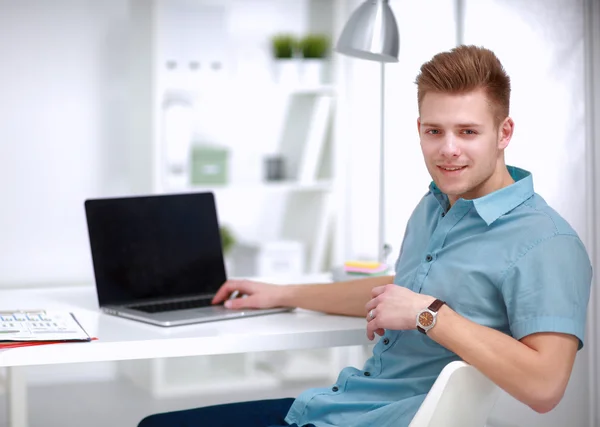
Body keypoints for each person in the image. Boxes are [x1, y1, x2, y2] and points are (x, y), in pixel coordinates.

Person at [138, 45, 592, 427]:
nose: (447, 149)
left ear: (503, 132)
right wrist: (283, 293)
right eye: (434, 131)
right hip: (341, 406)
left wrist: (430, 315)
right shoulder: (436, 204)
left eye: (468, 132)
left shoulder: (546, 242)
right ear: (419, 130)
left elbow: (544, 387)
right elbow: (398, 295)